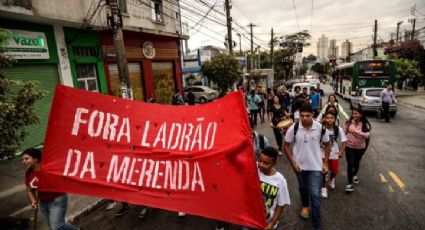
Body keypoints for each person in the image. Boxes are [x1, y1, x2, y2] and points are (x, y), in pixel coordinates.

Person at [284, 103, 331, 230]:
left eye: (307, 115)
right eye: (302, 116)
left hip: (316, 167)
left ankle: (318, 226)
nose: (304, 118)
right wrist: (293, 163)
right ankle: (305, 206)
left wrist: (326, 163)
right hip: (299, 167)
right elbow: (286, 146)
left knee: (315, 195)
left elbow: (328, 145)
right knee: (303, 188)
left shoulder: (320, 128)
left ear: (313, 115)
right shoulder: (293, 128)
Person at [21, 148, 80, 230]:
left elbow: (63, 179)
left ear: (36, 159)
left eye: (26, 159)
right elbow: (29, 190)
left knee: (57, 226)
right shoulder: (28, 173)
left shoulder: (48, 169)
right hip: (43, 202)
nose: (23, 161)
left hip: (58, 198)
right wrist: (33, 201)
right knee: (53, 226)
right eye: (22, 159)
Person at [242, 147, 291, 230]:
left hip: (266, 224)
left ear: (274, 163)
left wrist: (272, 223)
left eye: (266, 163)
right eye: (259, 161)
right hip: (249, 220)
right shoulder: (253, 170)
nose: (261, 164)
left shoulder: (280, 181)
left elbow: (281, 205)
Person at [320, 112, 347, 199]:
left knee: (335, 170)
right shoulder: (321, 128)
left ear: (335, 119)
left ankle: (331, 179)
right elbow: (316, 140)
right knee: (324, 171)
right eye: (327, 118)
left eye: (331, 118)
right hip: (322, 153)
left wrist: (341, 152)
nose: (329, 119)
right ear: (324, 119)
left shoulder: (338, 129)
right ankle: (323, 187)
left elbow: (344, 141)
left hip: (334, 153)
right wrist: (321, 146)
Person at [344, 107, 371, 193]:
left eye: (356, 113)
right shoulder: (349, 123)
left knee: (356, 163)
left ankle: (354, 175)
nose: (354, 115)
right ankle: (349, 184)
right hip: (349, 146)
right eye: (353, 113)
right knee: (350, 163)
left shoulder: (364, 124)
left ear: (361, 115)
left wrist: (355, 131)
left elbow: (367, 135)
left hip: (360, 147)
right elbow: (344, 131)